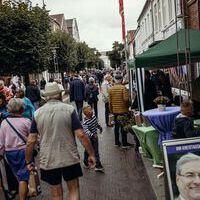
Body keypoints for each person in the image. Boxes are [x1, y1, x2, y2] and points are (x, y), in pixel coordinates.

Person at [25, 82, 95, 200]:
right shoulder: (69, 110)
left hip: (49, 159)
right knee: (73, 189)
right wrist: (91, 154)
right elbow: (81, 135)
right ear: (59, 95)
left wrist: (28, 161)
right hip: (69, 157)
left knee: (56, 194)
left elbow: (31, 140)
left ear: (46, 97)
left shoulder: (37, 114)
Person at [0, 98, 32, 200]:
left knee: (17, 175)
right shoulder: (27, 121)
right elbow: (33, 138)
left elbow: (1, 142)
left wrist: (0, 154)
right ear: (22, 109)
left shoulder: (4, 123)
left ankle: (24, 191)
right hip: (24, 151)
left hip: (9, 153)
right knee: (23, 176)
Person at [109, 74, 132, 148]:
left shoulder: (111, 89)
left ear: (115, 80)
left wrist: (111, 110)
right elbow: (126, 99)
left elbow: (110, 102)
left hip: (115, 111)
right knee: (123, 127)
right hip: (123, 110)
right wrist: (128, 105)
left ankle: (116, 142)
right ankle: (124, 143)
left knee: (116, 127)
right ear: (121, 80)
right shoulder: (123, 88)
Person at [82, 105, 104, 172]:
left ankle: (97, 165)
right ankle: (89, 163)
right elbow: (86, 131)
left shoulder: (94, 117)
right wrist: (92, 135)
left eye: (91, 109)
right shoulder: (85, 123)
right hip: (89, 139)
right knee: (88, 150)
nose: (92, 111)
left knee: (95, 151)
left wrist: (99, 127)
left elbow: (96, 123)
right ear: (86, 114)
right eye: (90, 110)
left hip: (95, 138)